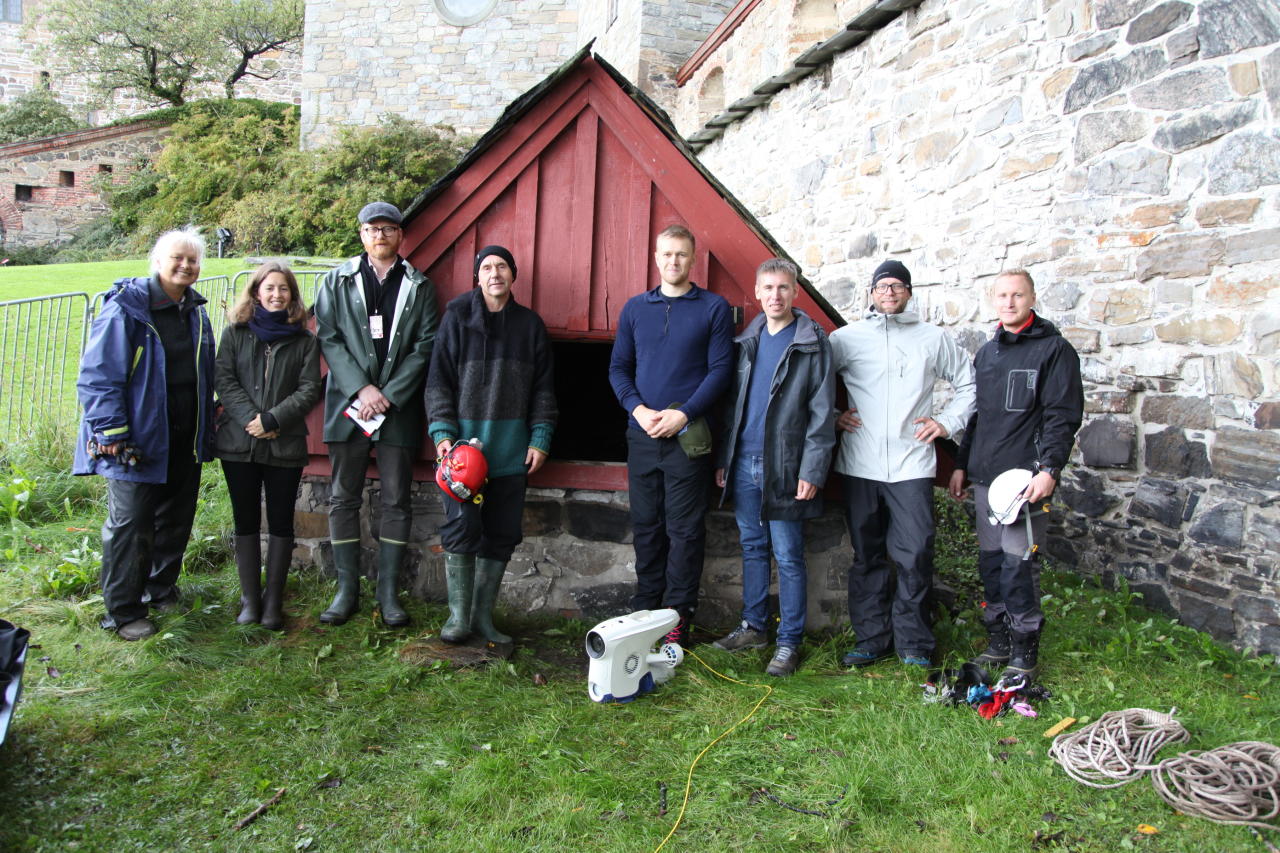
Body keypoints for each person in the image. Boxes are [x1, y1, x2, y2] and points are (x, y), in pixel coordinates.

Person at [831, 259, 976, 669]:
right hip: (860, 462)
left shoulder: (933, 339)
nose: (889, 292)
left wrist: (946, 423)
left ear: (909, 293)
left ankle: (914, 643)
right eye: (882, 286)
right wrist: (831, 418)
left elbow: (969, 382)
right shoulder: (846, 338)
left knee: (915, 553)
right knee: (868, 555)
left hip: (912, 464)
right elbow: (812, 382)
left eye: (897, 285)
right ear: (872, 294)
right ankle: (872, 639)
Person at [73, 227, 216, 640]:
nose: (186, 265)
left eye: (193, 260)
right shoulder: (127, 309)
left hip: (184, 436)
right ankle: (122, 611)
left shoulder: (195, 310)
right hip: (135, 439)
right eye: (177, 258)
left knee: (175, 519)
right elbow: (99, 377)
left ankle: (160, 589)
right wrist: (111, 430)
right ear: (158, 260)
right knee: (131, 525)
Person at [949, 268, 1082, 682]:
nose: (1009, 303)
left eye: (1018, 295)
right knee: (991, 564)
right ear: (994, 300)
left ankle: (1024, 652)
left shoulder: (1054, 350)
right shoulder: (988, 353)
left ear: (1032, 298)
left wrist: (1049, 470)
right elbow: (978, 418)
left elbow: (1062, 416)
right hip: (986, 480)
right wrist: (960, 465)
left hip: (1024, 482)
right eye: (1002, 295)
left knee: (1018, 566)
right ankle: (999, 643)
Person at [608, 224, 734, 647]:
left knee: (684, 530)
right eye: (666, 254)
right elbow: (618, 369)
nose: (673, 261)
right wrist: (638, 409)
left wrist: (683, 413)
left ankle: (677, 619)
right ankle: (645, 611)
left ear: (692, 258)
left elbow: (720, 371)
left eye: (681, 254)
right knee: (646, 525)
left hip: (688, 437)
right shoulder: (634, 309)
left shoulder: (713, 308)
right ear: (656, 257)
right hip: (642, 434)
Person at [314, 201, 438, 627]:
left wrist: (387, 394)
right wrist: (362, 389)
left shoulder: (419, 286)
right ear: (362, 234)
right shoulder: (336, 280)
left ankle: (388, 594)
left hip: (396, 409)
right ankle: (346, 590)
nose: (380, 235)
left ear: (401, 235)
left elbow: (425, 346)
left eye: (388, 228)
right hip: (348, 405)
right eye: (372, 228)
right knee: (342, 497)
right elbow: (328, 338)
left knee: (396, 499)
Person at [427, 245, 557, 645]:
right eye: (486, 267)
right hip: (463, 456)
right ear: (476, 277)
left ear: (513, 276)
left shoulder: (530, 326)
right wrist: (442, 434)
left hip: (510, 453)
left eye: (502, 266)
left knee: (501, 534)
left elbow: (544, 390)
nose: (495, 273)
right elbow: (437, 383)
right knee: (461, 530)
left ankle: (483, 618)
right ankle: (458, 619)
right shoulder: (456, 320)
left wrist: (540, 437)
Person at [711, 259, 835, 677]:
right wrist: (725, 460)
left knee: (788, 555)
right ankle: (754, 626)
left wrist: (812, 469)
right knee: (752, 546)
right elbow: (733, 406)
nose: (775, 295)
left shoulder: (812, 341)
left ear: (795, 292)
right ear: (757, 292)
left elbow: (821, 411)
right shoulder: (747, 340)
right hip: (743, 462)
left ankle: (789, 642)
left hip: (785, 465)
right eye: (768, 288)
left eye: (783, 288)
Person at [214, 262, 321, 631]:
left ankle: (273, 601)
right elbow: (224, 379)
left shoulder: (304, 340)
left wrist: (274, 419)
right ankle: (249, 600)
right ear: (257, 291)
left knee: (279, 522)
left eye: (284, 289)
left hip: (284, 444)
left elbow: (309, 388)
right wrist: (253, 420)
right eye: (270, 288)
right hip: (238, 444)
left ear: (292, 295)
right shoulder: (235, 333)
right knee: (245, 519)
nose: (277, 295)